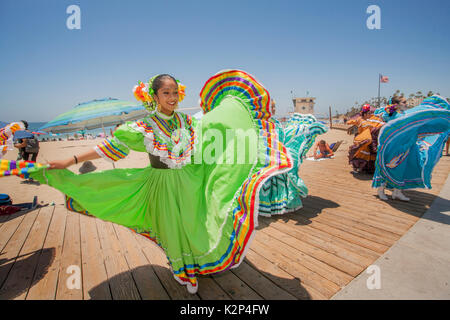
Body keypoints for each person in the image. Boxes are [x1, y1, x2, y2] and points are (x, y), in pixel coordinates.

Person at [4, 70, 294, 294]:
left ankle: (198, 262)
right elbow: (109, 147)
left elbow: (213, 130)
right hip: (162, 185)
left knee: (193, 222)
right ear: (154, 96)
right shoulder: (142, 127)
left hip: (191, 182)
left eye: (175, 93)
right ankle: (184, 271)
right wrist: (69, 161)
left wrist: (236, 123)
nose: (172, 98)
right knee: (172, 228)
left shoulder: (187, 122)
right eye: (166, 93)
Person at [372, 95, 450, 201]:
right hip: (391, 147)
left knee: (402, 168)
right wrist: (389, 109)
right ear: (397, 104)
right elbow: (379, 114)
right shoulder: (391, 114)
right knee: (385, 167)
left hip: (405, 147)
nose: (406, 104)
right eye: (403, 102)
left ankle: (397, 192)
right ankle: (380, 190)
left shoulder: (407, 114)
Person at [258, 101, 328, 216]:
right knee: (268, 182)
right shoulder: (262, 123)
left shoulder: (274, 122)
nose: (274, 108)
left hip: (276, 156)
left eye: (274, 106)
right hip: (267, 157)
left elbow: (286, 136)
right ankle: (268, 206)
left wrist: (306, 129)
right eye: (272, 106)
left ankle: (274, 206)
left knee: (275, 182)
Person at [347, 104, 384, 174]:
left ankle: (363, 168)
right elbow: (353, 122)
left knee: (364, 154)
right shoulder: (362, 120)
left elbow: (352, 122)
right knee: (361, 154)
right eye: (368, 113)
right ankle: (358, 167)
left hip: (366, 139)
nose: (370, 114)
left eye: (370, 113)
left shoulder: (365, 120)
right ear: (365, 114)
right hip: (363, 139)